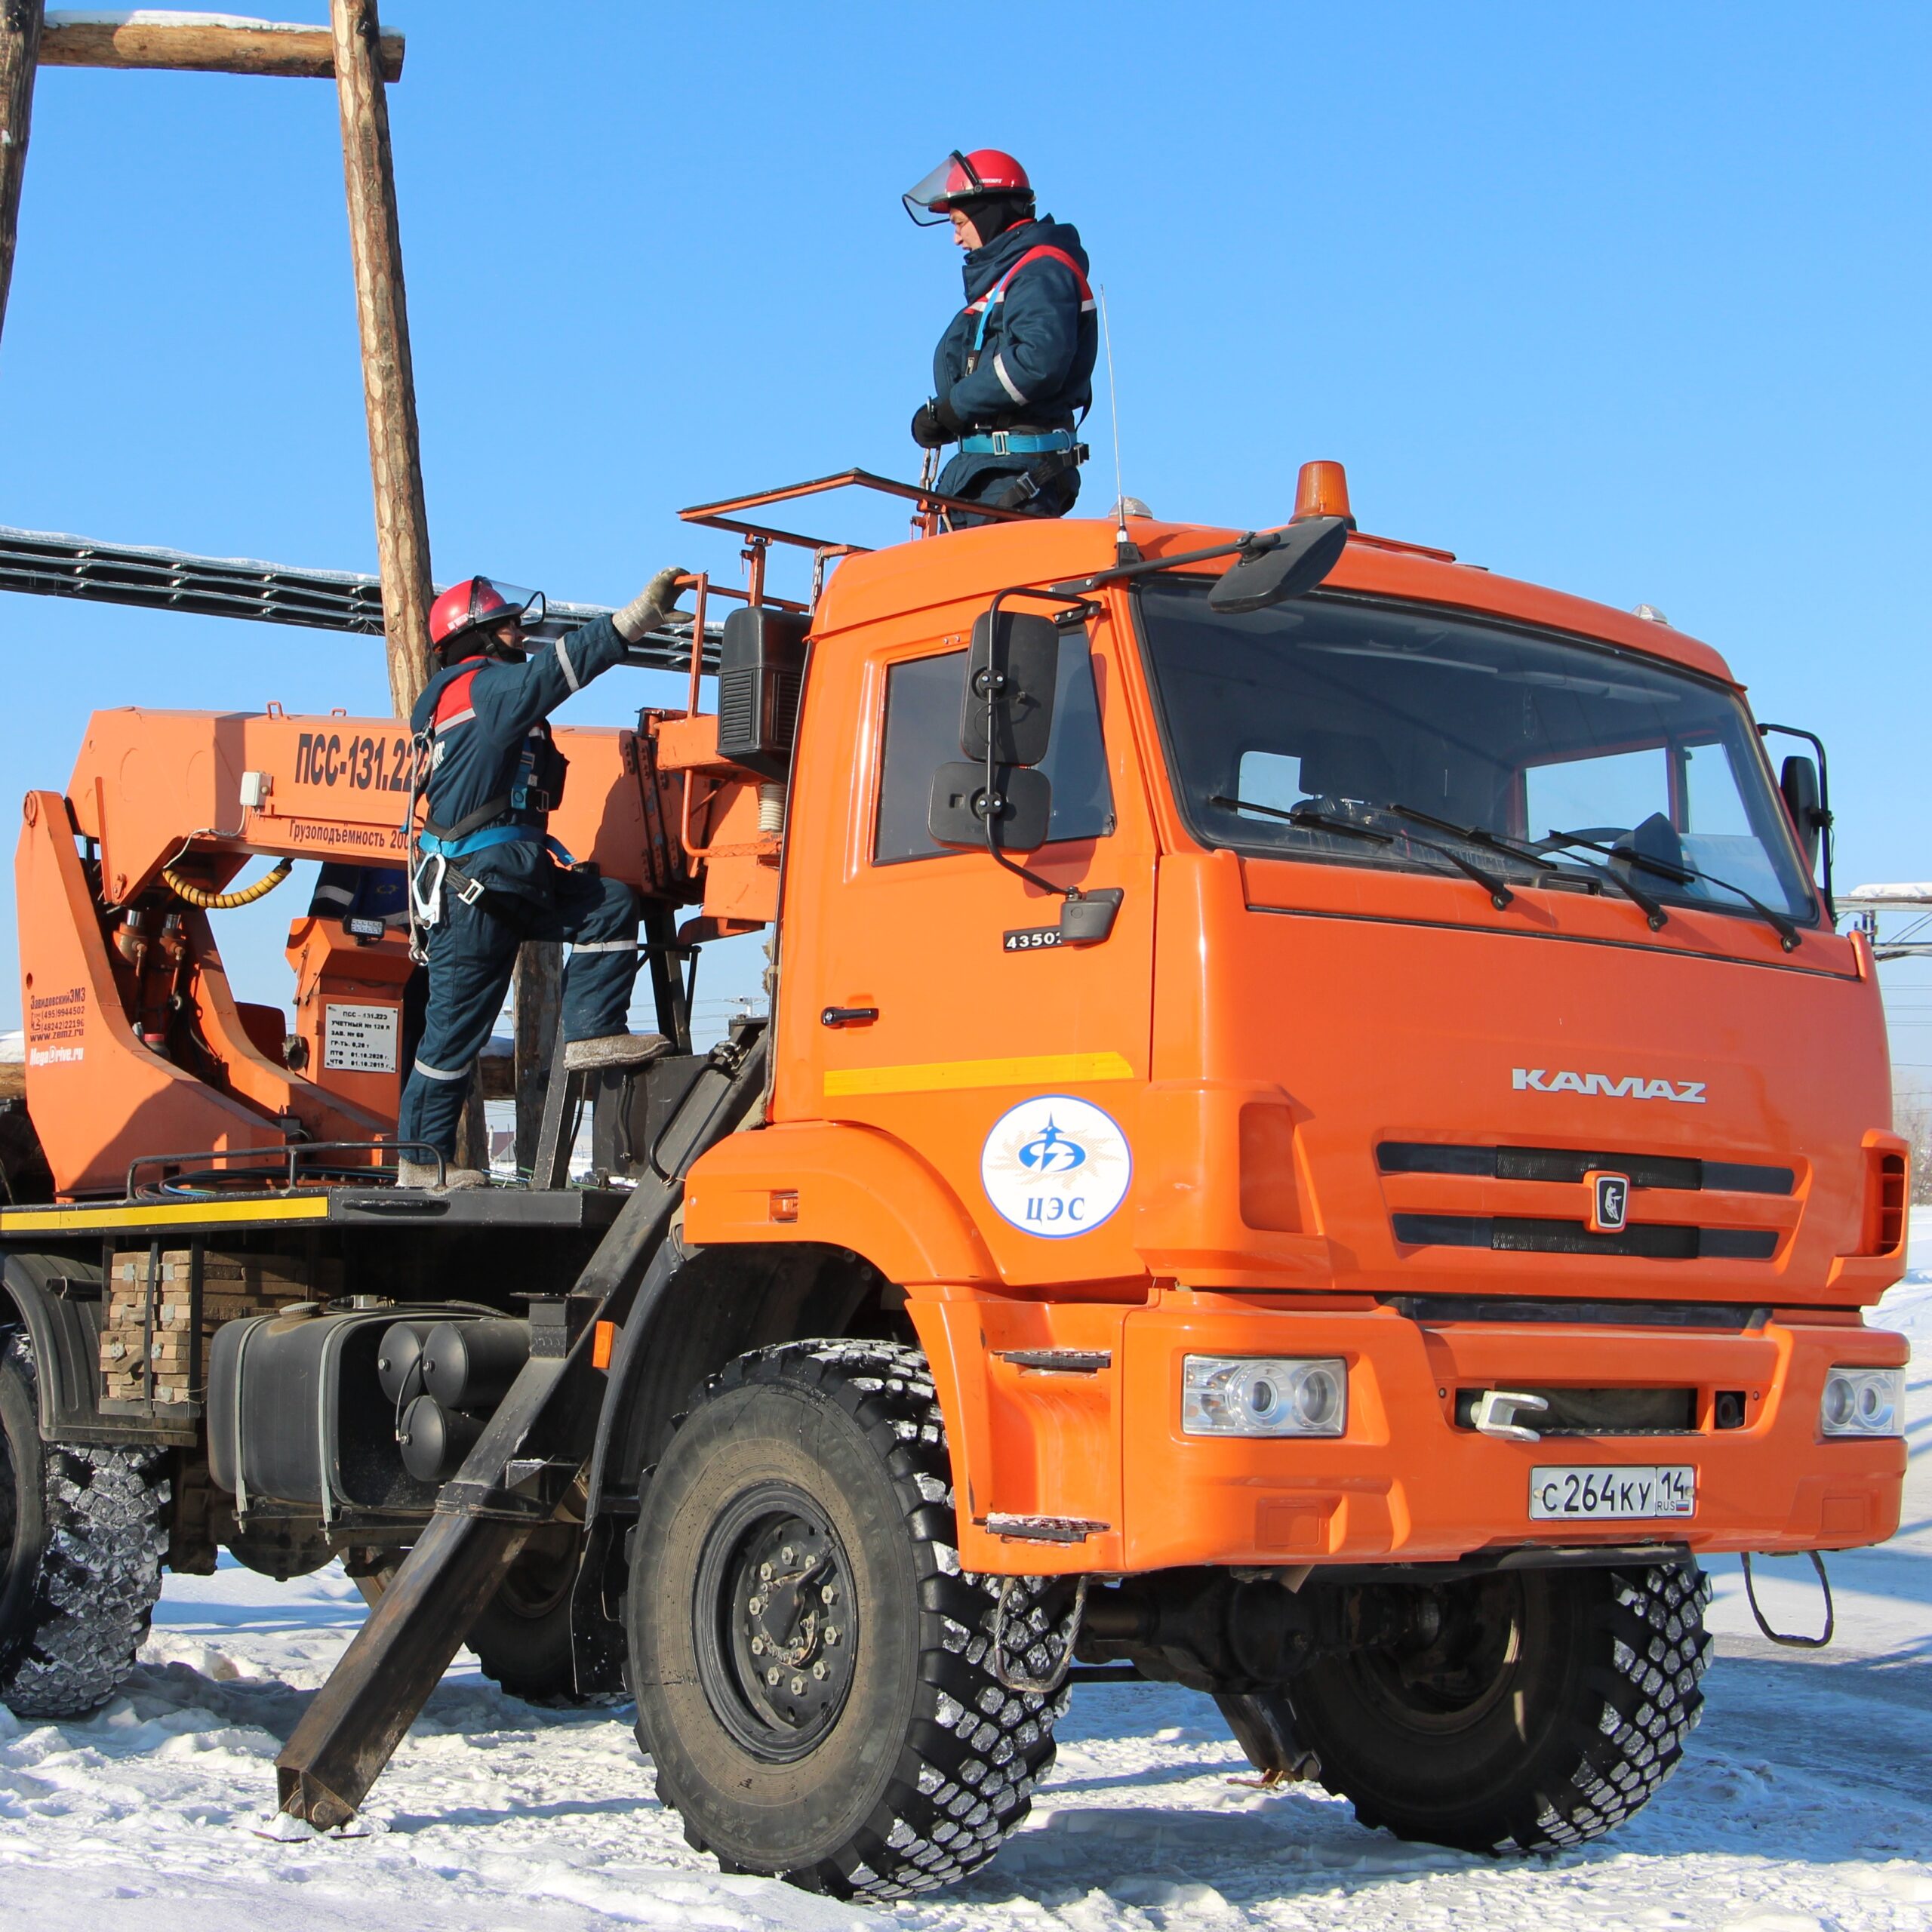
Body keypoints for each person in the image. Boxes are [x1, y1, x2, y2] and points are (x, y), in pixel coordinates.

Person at [392, 568, 684, 1189]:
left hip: (513, 878)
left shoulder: (478, 698)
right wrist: (636, 619)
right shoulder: (480, 691)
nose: (518, 631)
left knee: (608, 903)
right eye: (506, 623)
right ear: (477, 639)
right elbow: (557, 671)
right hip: (474, 893)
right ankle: (419, 1164)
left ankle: (591, 1037)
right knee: (453, 1036)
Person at [903, 149, 1098, 525]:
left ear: (987, 212)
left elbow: (1036, 362)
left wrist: (953, 409)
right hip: (985, 473)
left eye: (959, 223)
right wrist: (944, 417)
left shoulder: (1040, 270)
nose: (956, 239)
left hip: (1015, 478)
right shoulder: (1008, 279)